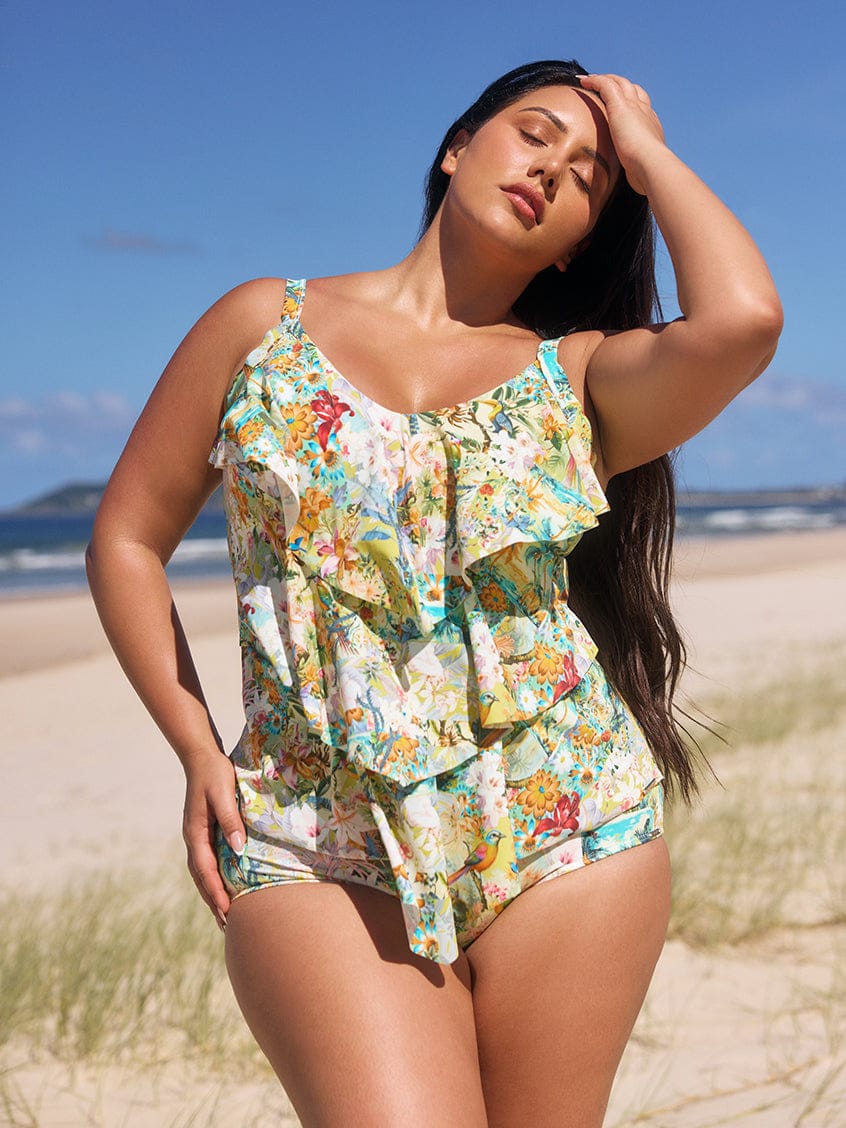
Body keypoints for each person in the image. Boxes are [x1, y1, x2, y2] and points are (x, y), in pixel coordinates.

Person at [87, 58, 782, 1127]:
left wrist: (646, 150)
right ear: (458, 145)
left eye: (590, 178)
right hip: (314, 827)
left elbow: (743, 323)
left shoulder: (582, 375)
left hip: (563, 820)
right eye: (534, 133)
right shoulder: (261, 327)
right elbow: (129, 537)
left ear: (586, 237)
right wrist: (192, 744)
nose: (554, 170)